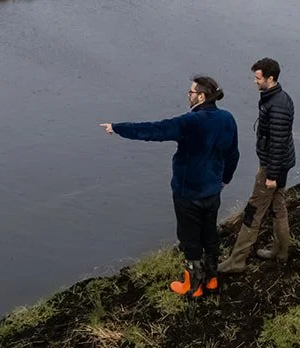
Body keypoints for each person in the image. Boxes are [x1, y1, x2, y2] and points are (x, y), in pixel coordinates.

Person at [102, 75, 238, 299]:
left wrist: (118, 128)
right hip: (213, 190)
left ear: (201, 96)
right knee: (210, 232)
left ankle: (193, 287)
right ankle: (212, 278)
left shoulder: (191, 121)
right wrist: (224, 180)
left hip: (189, 192)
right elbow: (233, 154)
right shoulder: (228, 118)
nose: (188, 96)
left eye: (191, 93)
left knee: (189, 237)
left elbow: (156, 130)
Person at [221, 56, 295, 272]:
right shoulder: (276, 98)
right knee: (278, 207)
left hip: (274, 167)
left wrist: (270, 175)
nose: (254, 81)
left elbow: (278, 141)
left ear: (270, 78)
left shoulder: (277, 105)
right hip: (279, 164)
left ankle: (237, 260)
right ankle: (281, 251)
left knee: (254, 210)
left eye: (257, 78)